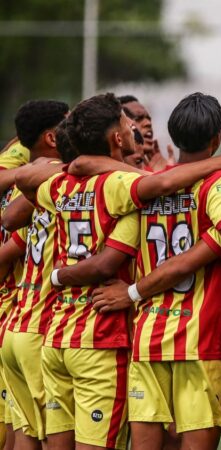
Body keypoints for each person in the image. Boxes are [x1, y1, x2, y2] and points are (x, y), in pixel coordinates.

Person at [14, 92, 221, 450]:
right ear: (216, 140)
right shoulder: (213, 184)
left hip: (144, 337)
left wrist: (78, 165)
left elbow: (20, 203)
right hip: (196, 340)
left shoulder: (143, 186)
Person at [0, 100, 67, 450]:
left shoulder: (27, 182)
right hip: (41, 327)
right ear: (53, 137)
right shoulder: (60, 182)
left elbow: (9, 218)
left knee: (21, 435)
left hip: (16, 326)